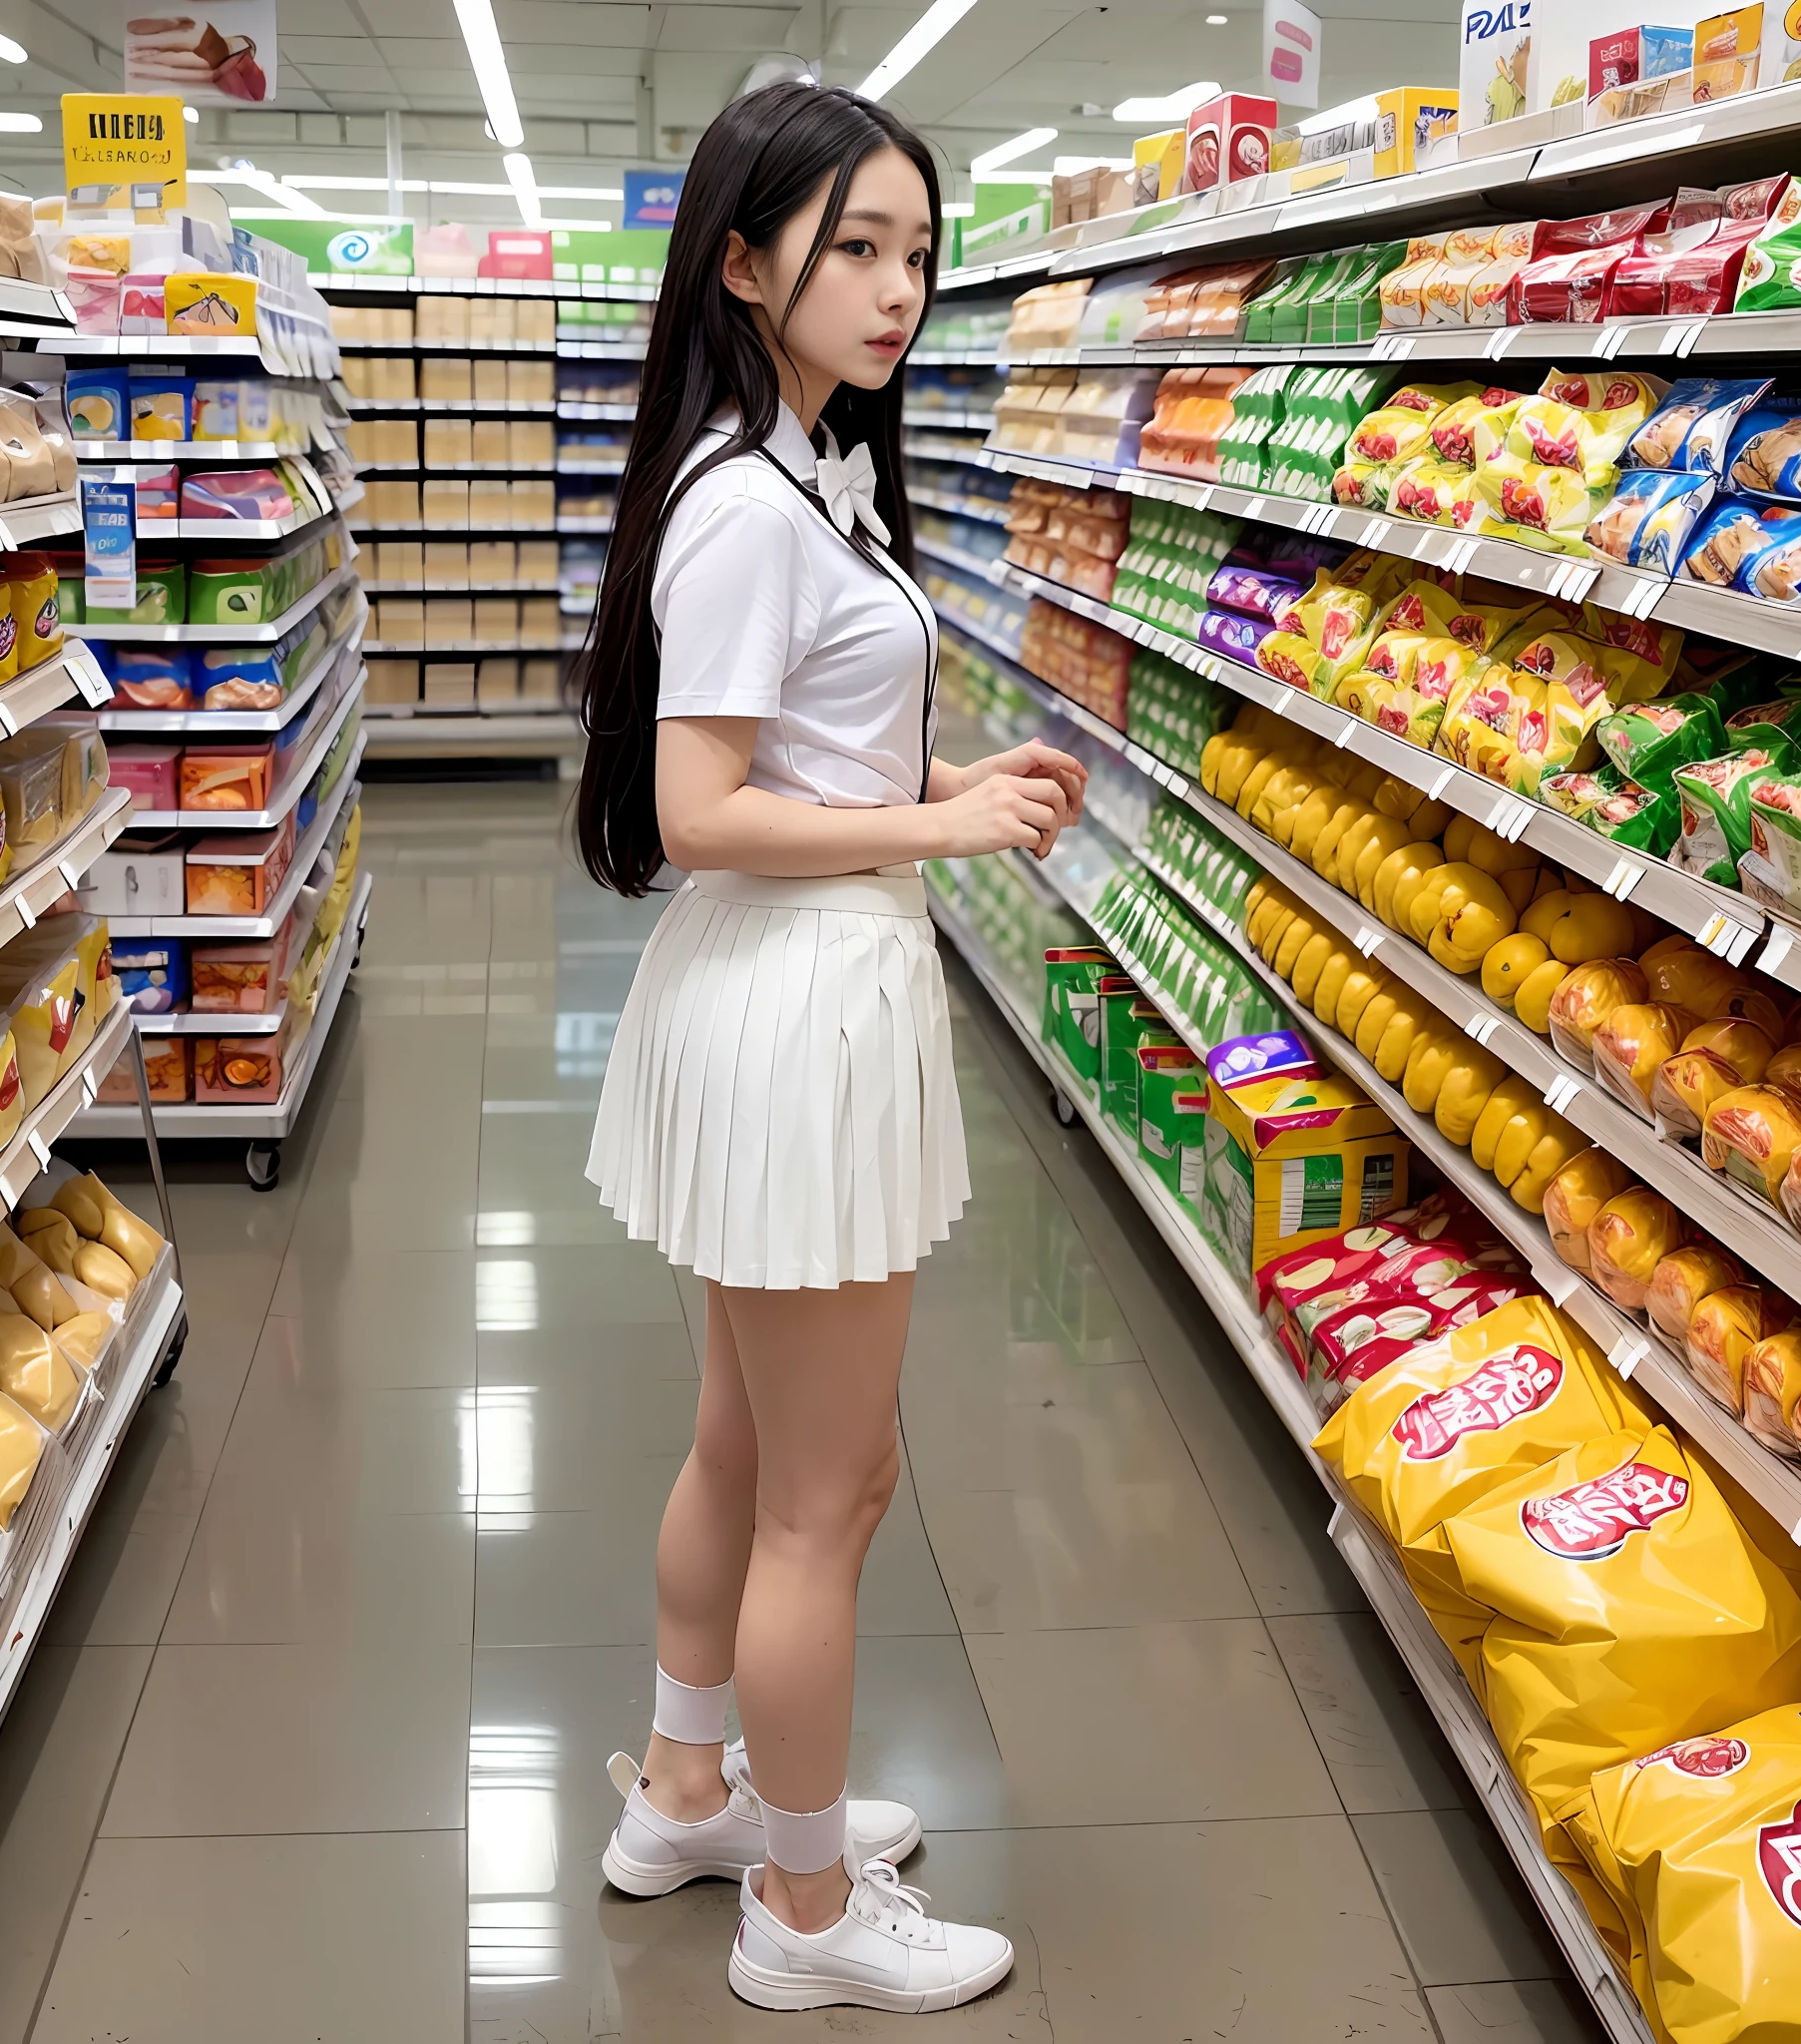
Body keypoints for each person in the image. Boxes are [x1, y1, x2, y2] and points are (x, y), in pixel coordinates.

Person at [576, 78, 1087, 2016]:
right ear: (741, 259)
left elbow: (792, 751)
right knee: (831, 1493)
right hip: (797, 1010)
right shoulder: (742, 501)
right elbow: (698, 801)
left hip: (790, 991)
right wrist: (933, 825)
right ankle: (797, 1916)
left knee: (744, 1439)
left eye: (919, 253)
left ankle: (691, 1791)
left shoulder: (797, 469)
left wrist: (941, 774)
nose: (897, 289)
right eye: (856, 245)